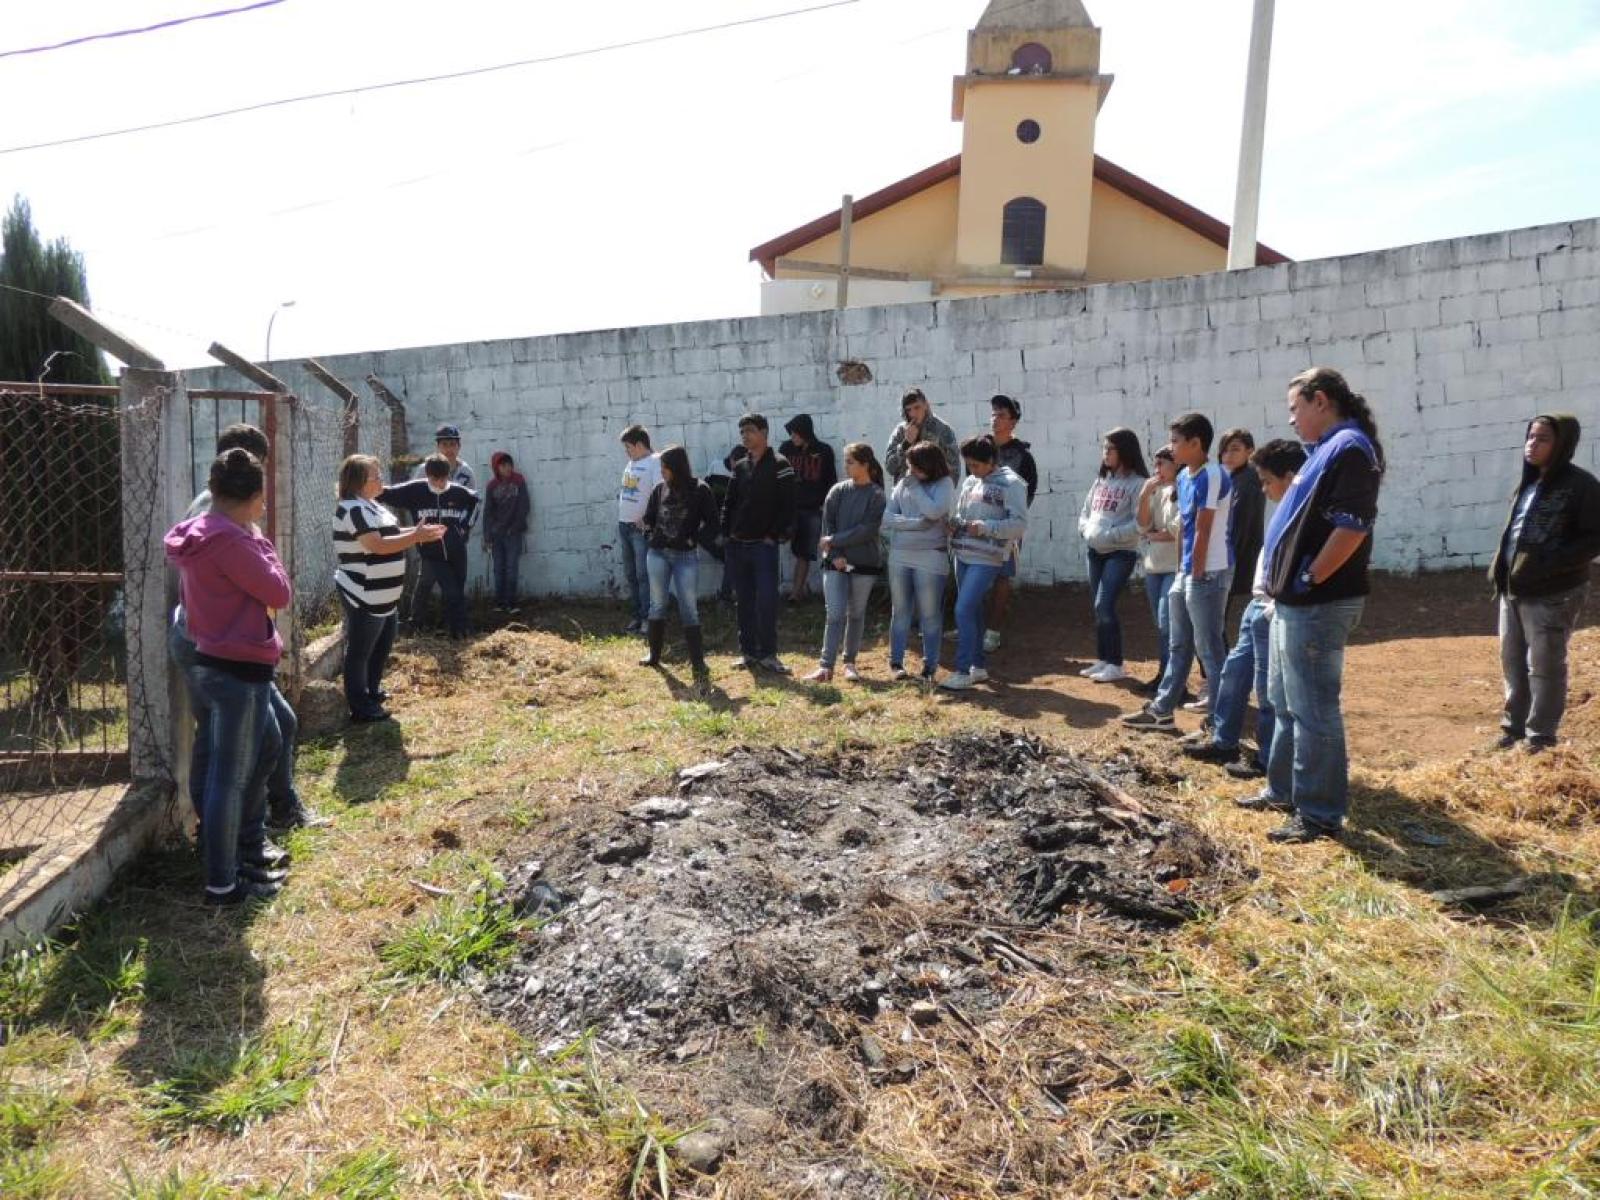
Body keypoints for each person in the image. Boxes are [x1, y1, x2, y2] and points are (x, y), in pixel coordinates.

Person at [1255, 366, 1385, 843]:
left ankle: (1319, 814)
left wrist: (1310, 577)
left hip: (1318, 603)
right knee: (1284, 702)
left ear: (1321, 401)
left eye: (1296, 408)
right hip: (1295, 602)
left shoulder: (1350, 448)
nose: (1291, 420)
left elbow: (1352, 528)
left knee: (1312, 709)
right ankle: (1284, 791)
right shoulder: (1325, 450)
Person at [164, 449, 292, 906]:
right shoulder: (233, 542)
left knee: (265, 744)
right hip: (237, 667)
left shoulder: (202, 531)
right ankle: (223, 882)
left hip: (214, 657)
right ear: (253, 497)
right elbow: (279, 591)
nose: (264, 507)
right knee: (229, 777)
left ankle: (238, 851)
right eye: (262, 499)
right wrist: (261, 542)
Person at [168, 423, 310, 834]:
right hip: (216, 645)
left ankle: (263, 817)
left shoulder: (219, 510)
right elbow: (273, 589)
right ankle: (230, 833)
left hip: (215, 639)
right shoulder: (220, 515)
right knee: (231, 747)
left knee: (270, 729)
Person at [1181, 439, 1306, 776]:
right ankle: (1224, 741)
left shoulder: (1302, 509)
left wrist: (1274, 602)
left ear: (1289, 476)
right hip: (1259, 602)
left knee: (1267, 688)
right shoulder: (1286, 505)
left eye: (1267, 481)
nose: (1264, 488)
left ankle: (1267, 759)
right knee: (1234, 673)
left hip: (1272, 605)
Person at [1489, 413, 1600, 753]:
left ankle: (1541, 736)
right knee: (1512, 662)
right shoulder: (1528, 482)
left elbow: (1594, 538)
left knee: (1545, 664)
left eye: (1542, 439)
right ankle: (1514, 729)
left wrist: (1550, 563)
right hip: (1515, 589)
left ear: (1562, 444)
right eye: (1530, 437)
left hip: (1554, 593)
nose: (1532, 445)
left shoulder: (1581, 486)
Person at [1121, 413, 1235, 731]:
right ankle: (1163, 710)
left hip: (1209, 571)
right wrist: (1184, 571)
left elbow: (1203, 529)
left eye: (1175, 441)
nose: (1170, 448)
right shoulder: (1184, 476)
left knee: (1208, 647)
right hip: (1187, 570)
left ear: (1195, 443)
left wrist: (1195, 574)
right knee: (1178, 643)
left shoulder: (1213, 475)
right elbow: (1185, 527)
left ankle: (1220, 722)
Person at [333, 455, 445, 722]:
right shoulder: (352, 509)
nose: (381, 479)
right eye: (376, 476)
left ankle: (372, 691)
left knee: (381, 647)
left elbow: (390, 534)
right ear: (360, 481)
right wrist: (415, 536)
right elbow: (378, 545)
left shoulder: (372, 506)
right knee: (360, 651)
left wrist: (418, 532)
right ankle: (360, 706)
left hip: (384, 596)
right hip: (364, 593)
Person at [941, 435, 1028, 691]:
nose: (972, 470)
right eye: (969, 464)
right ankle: (977, 668)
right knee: (973, 609)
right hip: (963, 553)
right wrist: (955, 523)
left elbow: (1019, 524)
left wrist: (986, 527)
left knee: (963, 609)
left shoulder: (1012, 484)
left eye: (976, 465)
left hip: (988, 556)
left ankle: (962, 670)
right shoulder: (971, 481)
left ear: (991, 460)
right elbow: (962, 513)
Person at [805, 443, 887, 683]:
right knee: (835, 613)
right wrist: (836, 553)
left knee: (856, 613)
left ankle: (850, 662)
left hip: (864, 563)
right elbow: (828, 524)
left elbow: (867, 530)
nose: (846, 466)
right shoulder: (838, 490)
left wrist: (835, 541)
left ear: (865, 465)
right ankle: (825, 666)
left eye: (850, 462)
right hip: (835, 562)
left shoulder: (877, 495)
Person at [722, 413, 797, 673]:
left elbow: (788, 505)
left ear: (764, 432)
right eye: (742, 431)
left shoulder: (780, 464)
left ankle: (768, 654)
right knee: (743, 601)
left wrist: (773, 535)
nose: (745, 436)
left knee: (766, 601)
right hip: (738, 544)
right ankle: (748, 653)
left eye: (750, 430)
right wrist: (727, 533)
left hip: (763, 547)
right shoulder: (740, 466)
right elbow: (729, 503)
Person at [638, 445, 719, 677]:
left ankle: (698, 663)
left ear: (677, 467)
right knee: (657, 604)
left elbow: (713, 523)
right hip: (658, 554)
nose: (662, 471)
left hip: (685, 556)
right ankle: (654, 655)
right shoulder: (659, 489)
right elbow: (648, 518)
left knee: (689, 608)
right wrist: (649, 535)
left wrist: (695, 539)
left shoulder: (700, 489)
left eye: (665, 467)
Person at [1077, 427, 1148, 683]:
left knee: (1104, 605)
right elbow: (1085, 512)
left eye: (1110, 448)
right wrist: (1086, 531)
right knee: (1098, 608)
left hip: (1120, 553)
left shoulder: (1138, 484)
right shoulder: (1101, 481)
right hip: (1094, 552)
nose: (1105, 453)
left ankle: (1116, 664)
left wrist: (1111, 535)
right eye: (1104, 448)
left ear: (1125, 451)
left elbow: (1140, 525)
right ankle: (1104, 659)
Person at [382, 457, 479, 639]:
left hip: (456, 551)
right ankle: (455, 629)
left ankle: (451, 628)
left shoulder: (457, 492)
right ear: (427, 476)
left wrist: (464, 527)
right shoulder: (415, 490)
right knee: (449, 589)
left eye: (444, 479)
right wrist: (368, 493)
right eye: (436, 479)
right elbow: (388, 494)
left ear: (448, 475)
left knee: (453, 588)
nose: (441, 483)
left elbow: (475, 501)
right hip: (431, 553)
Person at [883, 441, 955, 684]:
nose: (910, 472)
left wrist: (914, 488)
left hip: (931, 556)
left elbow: (934, 511)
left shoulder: (943, 484)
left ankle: (929, 667)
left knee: (930, 614)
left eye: (915, 467)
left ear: (929, 465)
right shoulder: (904, 482)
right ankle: (896, 662)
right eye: (909, 467)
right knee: (900, 611)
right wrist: (916, 524)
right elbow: (887, 517)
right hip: (900, 554)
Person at [983, 394, 1039, 653]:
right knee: (973, 574)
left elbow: (1027, 495)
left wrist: (1008, 522)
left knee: (1002, 577)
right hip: (979, 523)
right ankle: (972, 625)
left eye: (1002, 415)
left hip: (1007, 526)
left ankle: (993, 631)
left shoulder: (1023, 457)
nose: (995, 419)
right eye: (993, 414)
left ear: (1013, 422)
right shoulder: (981, 448)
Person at [1136, 447, 1182, 695]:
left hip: (1174, 566)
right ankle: (1165, 675)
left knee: (1168, 623)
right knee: (1162, 625)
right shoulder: (1157, 491)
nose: (1157, 470)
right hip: (1154, 565)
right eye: (1155, 465)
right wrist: (1144, 495)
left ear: (1175, 465)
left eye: (1162, 464)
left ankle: (1174, 680)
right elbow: (1143, 524)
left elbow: (1175, 530)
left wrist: (1154, 535)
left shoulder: (1184, 488)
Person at [779, 414, 837, 603]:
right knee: (778, 542)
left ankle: (796, 593)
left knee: (804, 552)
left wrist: (827, 506)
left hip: (812, 508)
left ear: (805, 432)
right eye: (791, 433)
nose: (792, 436)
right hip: (788, 508)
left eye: (795, 433)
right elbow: (776, 477)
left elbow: (831, 480)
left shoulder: (824, 451)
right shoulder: (786, 449)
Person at [1220, 428, 1265, 641]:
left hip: (1239, 560)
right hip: (1240, 558)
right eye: (1224, 450)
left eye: (1235, 449)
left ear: (1250, 451)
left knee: (1219, 621)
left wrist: (1228, 561)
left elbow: (1239, 525)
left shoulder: (1247, 480)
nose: (1228, 455)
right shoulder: (1238, 478)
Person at [616, 425, 661, 633]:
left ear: (640, 444)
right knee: (631, 574)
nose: (626, 452)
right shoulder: (631, 463)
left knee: (644, 575)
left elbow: (660, 493)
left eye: (628, 447)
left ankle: (647, 618)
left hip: (640, 529)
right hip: (624, 526)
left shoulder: (655, 462)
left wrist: (648, 519)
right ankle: (636, 614)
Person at [482, 451, 530, 612]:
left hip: (513, 533)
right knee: (498, 568)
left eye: (509, 464)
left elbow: (524, 506)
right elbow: (488, 512)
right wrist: (487, 535)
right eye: (503, 465)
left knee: (511, 568)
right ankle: (499, 603)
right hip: (496, 535)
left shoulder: (519, 481)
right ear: (496, 467)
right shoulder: (491, 486)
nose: (507, 468)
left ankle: (511, 602)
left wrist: (515, 527)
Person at [885, 388, 959, 484]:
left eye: (917, 407)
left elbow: (954, 469)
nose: (913, 414)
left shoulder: (942, 430)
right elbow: (890, 468)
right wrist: (905, 444)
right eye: (908, 410)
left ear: (925, 405)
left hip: (934, 489)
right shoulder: (900, 432)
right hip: (907, 489)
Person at [413, 423, 475, 490]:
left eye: (452, 444)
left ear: (459, 446)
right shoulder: (425, 470)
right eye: (444, 444)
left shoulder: (466, 472)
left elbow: (472, 495)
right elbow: (414, 493)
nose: (449, 449)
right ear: (438, 447)